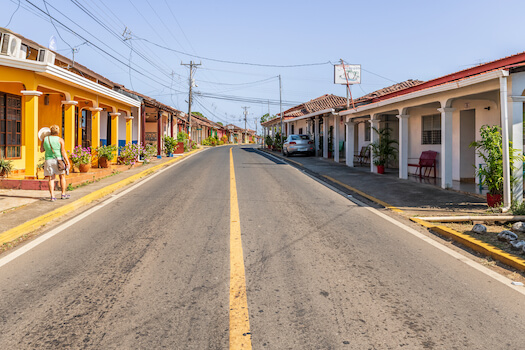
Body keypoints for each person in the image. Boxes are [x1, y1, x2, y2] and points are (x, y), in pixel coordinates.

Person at [40, 125, 70, 201]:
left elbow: (41, 150)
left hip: (48, 160)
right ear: (58, 131)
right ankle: (63, 194)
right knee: (62, 177)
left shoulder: (45, 139)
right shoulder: (60, 140)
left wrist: (43, 142)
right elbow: (63, 152)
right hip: (58, 160)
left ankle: (52, 196)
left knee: (51, 178)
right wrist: (67, 161)